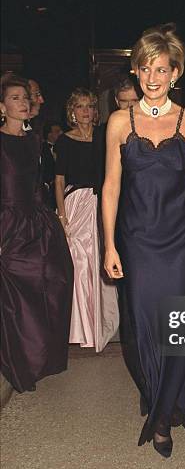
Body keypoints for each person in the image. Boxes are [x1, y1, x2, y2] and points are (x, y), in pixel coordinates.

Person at [102, 23, 185, 458]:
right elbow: (110, 185)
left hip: (181, 238)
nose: (152, 78)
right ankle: (156, 392)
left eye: (161, 69)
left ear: (175, 73)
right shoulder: (118, 122)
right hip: (138, 239)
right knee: (143, 326)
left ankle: (163, 416)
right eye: (145, 69)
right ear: (135, 71)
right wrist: (109, 244)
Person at [0, 73, 73, 392]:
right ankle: (22, 363)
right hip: (9, 222)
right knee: (18, 294)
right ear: (1, 106)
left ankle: (46, 357)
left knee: (57, 280)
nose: (22, 102)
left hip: (39, 220)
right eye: (14, 98)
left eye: (24, 97)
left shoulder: (33, 140)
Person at [55, 88, 119, 352]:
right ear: (72, 111)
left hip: (102, 203)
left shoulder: (104, 138)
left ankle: (101, 326)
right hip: (76, 204)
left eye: (90, 106)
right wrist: (62, 214)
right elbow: (59, 181)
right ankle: (80, 328)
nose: (85, 111)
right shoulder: (64, 141)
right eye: (80, 107)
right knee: (80, 265)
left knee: (100, 263)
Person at [41, 122, 63, 209]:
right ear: (49, 134)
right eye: (57, 131)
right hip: (49, 191)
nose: (61, 133)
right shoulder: (41, 148)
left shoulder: (65, 147)